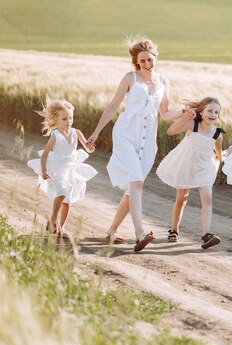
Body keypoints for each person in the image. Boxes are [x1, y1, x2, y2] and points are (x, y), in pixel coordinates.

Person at [87, 38, 184, 252]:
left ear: (156, 57)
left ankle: (112, 230)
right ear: (136, 62)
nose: (147, 64)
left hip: (147, 141)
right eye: (142, 61)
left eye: (150, 59)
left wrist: (185, 113)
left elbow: (166, 113)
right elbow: (113, 105)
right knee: (137, 182)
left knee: (132, 189)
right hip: (125, 136)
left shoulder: (163, 80)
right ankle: (140, 234)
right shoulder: (130, 77)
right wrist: (95, 133)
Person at [156, 97, 224, 249]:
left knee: (207, 200)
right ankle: (174, 230)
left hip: (204, 169)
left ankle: (207, 234)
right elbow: (170, 131)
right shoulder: (192, 125)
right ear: (201, 111)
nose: (213, 114)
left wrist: (221, 157)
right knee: (181, 200)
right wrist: (185, 117)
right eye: (210, 111)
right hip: (187, 166)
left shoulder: (217, 134)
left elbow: (219, 155)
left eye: (216, 112)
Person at [27, 98, 97, 238]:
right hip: (59, 168)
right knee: (61, 193)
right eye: (65, 119)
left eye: (71, 118)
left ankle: (62, 227)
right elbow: (45, 155)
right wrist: (44, 170)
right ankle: (53, 219)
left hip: (72, 168)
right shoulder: (55, 135)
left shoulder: (77, 133)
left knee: (68, 202)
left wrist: (90, 148)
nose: (69, 121)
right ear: (56, 120)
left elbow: (87, 148)